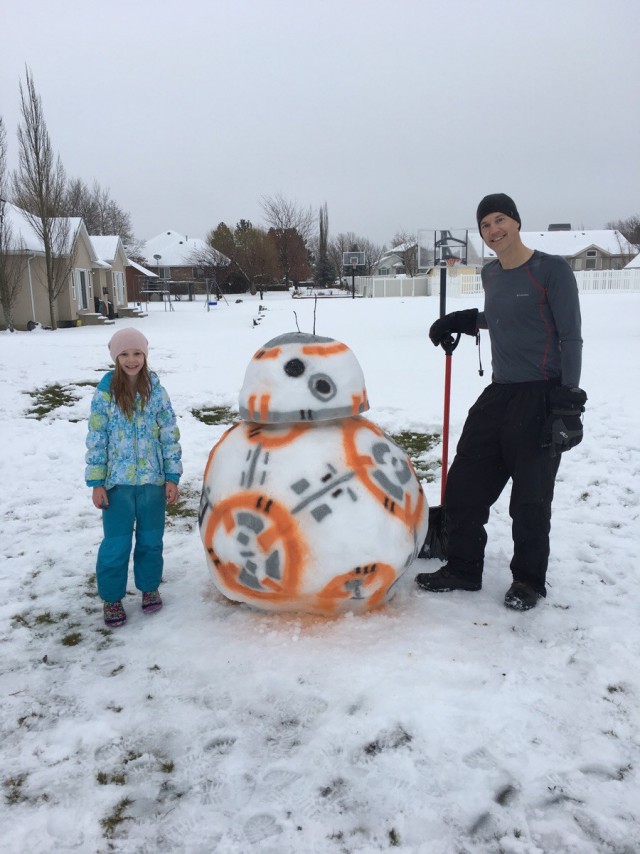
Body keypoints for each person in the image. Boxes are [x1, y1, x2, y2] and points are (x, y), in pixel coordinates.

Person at [416, 194, 586, 610]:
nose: (494, 230)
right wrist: (466, 319)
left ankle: (528, 581)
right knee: (465, 484)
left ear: (516, 221)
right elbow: (505, 315)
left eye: (500, 219)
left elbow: (570, 336)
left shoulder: (551, 270)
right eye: (485, 225)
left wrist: (568, 403)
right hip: (499, 393)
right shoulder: (492, 274)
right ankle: (463, 567)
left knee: (530, 498)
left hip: (542, 394)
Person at [86, 328, 183, 627]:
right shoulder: (105, 394)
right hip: (118, 485)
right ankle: (112, 598)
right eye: (125, 354)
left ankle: (149, 587)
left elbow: (169, 434)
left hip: (153, 482)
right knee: (116, 544)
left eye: (137, 353)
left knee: (151, 540)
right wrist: (97, 482)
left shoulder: (156, 391)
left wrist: (171, 476)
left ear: (145, 355)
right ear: (116, 357)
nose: (131, 360)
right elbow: (96, 438)